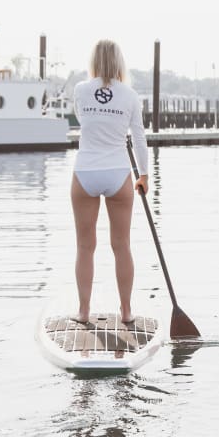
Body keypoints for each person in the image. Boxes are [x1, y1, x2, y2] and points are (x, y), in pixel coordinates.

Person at [71, 39, 149, 324]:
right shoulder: (129, 95)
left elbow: (82, 120)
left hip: (86, 172)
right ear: (119, 62)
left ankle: (83, 311)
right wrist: (143, 175)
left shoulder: (80, 90)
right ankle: (126, 311)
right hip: (118, 173)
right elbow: (139, 138)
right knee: (122, 245)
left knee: (84, 246)